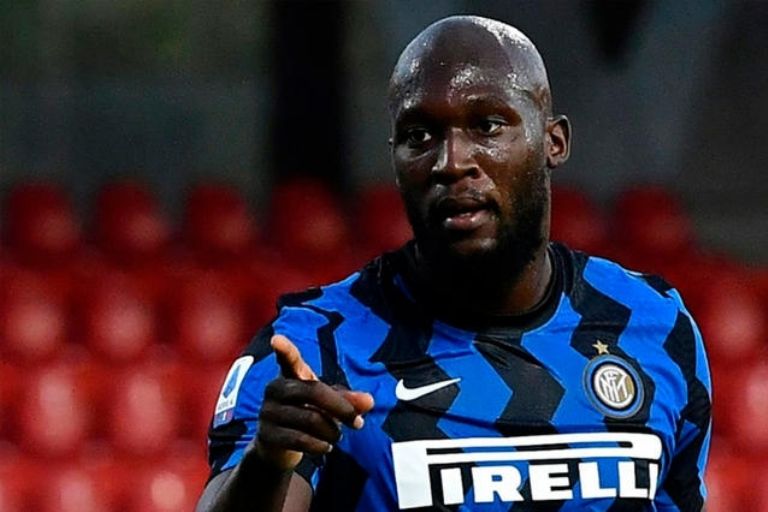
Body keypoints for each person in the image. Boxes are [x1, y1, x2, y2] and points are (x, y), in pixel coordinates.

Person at [196, 15, 711, 512]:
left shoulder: (655, 325)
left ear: (553, 143)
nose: (451, 162)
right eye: (419, 136)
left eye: (488, 126)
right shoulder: (315, 346)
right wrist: (267, 462)